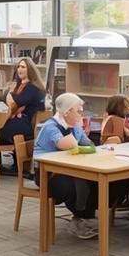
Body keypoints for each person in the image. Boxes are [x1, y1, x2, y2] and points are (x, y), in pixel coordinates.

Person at [35, 93, 98, 240]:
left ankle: (84, 217)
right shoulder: (50, 127)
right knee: (72, 185)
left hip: (69, 170)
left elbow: (89, 145)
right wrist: (78, 140)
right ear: (66, 112)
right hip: (47, 175)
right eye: (78, 111)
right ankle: (80, 218)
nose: (81, 113)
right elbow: (67, 145)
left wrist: (81, 138)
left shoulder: (74, 127)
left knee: (92, 180)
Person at [0, 57, 44, 173]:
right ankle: (11, 162)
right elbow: (13, 105)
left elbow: (14, 104)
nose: (19, 69)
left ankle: (15, 163)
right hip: (20, 120)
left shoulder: (32, 88)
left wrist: (9, 93)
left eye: (23, 67)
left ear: (30, 70)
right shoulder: (21, 86)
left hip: (26, 124)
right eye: (18, 67)